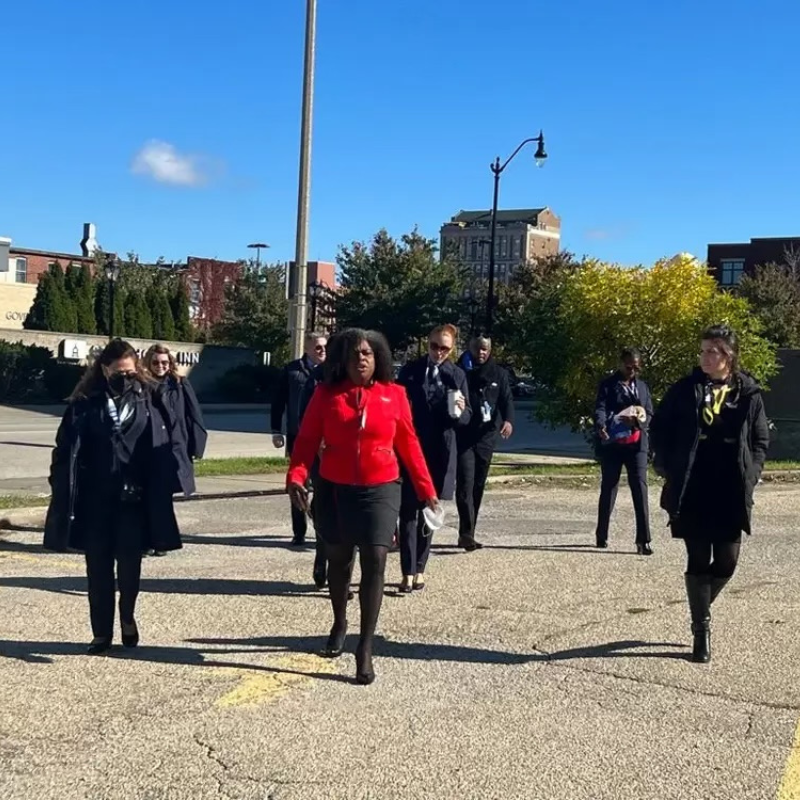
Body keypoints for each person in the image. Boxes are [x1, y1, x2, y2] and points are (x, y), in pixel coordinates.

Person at [286, 329, 437, 685]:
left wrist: (426, 489)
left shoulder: (395, 395)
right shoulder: (325, 394)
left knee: (376, 560)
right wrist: (296, 475)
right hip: (336, 488)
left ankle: (365, 646)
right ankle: (340, 620)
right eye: (354, 354)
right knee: (339, 562)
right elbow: (307, 439)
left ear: (378, 358)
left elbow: (409, 444)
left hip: (381, 488)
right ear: (342, 359)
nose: (361, 359)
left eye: (368, 353)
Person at [43, 339, 183, 655]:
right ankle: (101, 633)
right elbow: (65, 449)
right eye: (119, 373)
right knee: (98, 570)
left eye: (131, 373)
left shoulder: (151, 400)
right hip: (95, 500)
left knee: (130, 568)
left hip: (132, 500)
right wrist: (61, 484)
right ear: (105, 369)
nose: (125, 378)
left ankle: (127, 615)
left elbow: (168, 442)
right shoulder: (85, 404)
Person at [651, 325, 769, 663]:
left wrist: (753, 472)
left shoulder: (748, 392)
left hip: (730, 487)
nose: (704, 357)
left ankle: (699, 603)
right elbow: (659, 428)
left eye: (711, 351)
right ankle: (701, 631)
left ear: (728, 356)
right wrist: (666, 465)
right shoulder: (685, 389)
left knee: (728, 562)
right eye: (702, 350)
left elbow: (760, 440)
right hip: (694, 486)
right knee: (698, 559)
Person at [397, 324, 470, 591]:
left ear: (452, 349)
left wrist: (461, 411)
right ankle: (406, 569)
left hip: (440, 451)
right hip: (410, 448)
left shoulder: (457, 375)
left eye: (445, 348)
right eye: (434, 346)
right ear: (427, 344)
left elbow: (466, 418)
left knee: (429, 510)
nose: (438, 352)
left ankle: (420, 568)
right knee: (407, 511)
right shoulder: (411, 371)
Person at [144, 344, 207, 556]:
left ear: (170, 363)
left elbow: (194, 415)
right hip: (147, 448)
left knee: (161, 497)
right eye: (155, 362)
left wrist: (196, 447)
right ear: (148, 363)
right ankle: (149, 540)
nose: (160, 366)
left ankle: (161, 541)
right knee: (147, 496)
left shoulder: (179, 384)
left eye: (164, 362)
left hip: (172, 448)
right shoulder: (141, 385)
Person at [593, 347, 654, 555]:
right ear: (621, 364)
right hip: (614, 444)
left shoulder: (643, 387)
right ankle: (601, 534)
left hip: (637, 444)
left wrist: (637, 420)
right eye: (629, 367)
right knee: (609, 487)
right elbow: (600, 407)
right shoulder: (608, 385)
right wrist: (601, 424)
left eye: (636, 367)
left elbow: (650, 414)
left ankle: (643, 540)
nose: (632, 371)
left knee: (640, 488)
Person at [455, 335, 514, 551]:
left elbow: (506, 399)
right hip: (464, 435)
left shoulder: (499, 373)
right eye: (478, 348)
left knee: (478, 485)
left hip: (486, 436)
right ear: (470, 348)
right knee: (465, 484)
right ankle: (465, 533)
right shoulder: (459, 371)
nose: (481, 352)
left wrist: (508, 420)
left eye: (485, 349)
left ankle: (469, 531)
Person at [271, 332, 327, 545]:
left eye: (324, 347)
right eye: (318, 347)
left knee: (323, 486)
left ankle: (321, 524)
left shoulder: (331, 372)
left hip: (324, 439)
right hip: (298, 435)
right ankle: (299, 531)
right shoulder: (292, 370)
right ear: (307, 348)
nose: (322, 351)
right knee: (298, 483)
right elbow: (278, 401)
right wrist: (276, 430)